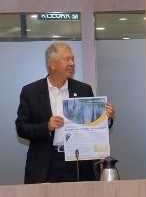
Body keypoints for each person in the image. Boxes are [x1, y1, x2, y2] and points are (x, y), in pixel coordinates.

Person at [15, 42, 116, 184]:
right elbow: (21, 128)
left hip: (77, 162)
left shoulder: (83, 90)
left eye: (73, 59)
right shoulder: (31, 92)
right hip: (45, 164)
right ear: (52, 64)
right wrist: (47, 126)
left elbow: (93, 128)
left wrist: (106, 117)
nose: (72, 63)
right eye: (67, 59)